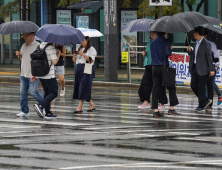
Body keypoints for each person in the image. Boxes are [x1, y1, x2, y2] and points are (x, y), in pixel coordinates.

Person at [150, 31, 180, 117]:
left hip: (155, 68)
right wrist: (170, 48)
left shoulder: (152, 43)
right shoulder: (166, 42)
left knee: (155, 88)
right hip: (164, 68)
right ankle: (171, 109)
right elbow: (168, 53)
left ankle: (155, 110)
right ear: (165, 33)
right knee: (171, 87)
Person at [15, 32, 44, 117]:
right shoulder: (23, 45)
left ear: (32, 36)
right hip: (23, 73)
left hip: (33, 74)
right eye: (24, 35)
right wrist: (18, 55)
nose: (25, 36)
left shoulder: (38, 45)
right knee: (22, 93)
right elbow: (22, 59)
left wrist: (36, 73)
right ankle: (25, 111)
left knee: (33, 92)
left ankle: (45, 104)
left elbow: (40, 61)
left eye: (27, 35)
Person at [187, 26, 215, 113]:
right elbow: (196, 55)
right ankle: (205, 100)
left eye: (194, 33)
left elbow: (209, 57)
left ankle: (201, 105)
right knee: (193, 85)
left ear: (197, 33)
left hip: (203, 68)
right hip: (195, 67)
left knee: (201, 87)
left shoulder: (206, 43)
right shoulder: (196, 43)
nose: (193, 35)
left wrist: (211, 69)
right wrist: (190, 52)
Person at [138, 31, 167, 109]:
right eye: (151, 33)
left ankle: (161, 102)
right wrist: (144, 53)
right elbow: (149, 53)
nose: (151, 34)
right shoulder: (149, 42)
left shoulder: (160, 42)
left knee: (159, 85)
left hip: (156, 65)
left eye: (153, 33)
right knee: (145, 83)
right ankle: (146, 101)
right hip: (148, 65)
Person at [31, 42, 61, 119]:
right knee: (54, 92)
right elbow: (55, 62)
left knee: (47, 93)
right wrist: (58, 54)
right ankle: (40, 105)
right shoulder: (51, 47)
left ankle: (48, 113)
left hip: (41, 74)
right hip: (49, 75)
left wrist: (35, 74)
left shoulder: (40, 46)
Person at [72, 36, 97, 113]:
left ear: (87, 40)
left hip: (87, 67)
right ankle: (91, 104)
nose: (82, 42)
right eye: (80, 41)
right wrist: (75, 55)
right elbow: (74, 60)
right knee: (79, 86)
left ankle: (80, 107)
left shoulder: (91, 49)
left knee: (83, 86)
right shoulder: (79, 48)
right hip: (79, 67)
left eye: (83, 40)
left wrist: (82, 54)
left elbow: (91, 60)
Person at [204, 29, 221, 109]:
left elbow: (216, 56)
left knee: (210, 83)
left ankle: (211, 100)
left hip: (213, 66)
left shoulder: (212, 44)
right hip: (206, 66)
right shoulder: (201, 44)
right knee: (207, 83)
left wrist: (216, 65)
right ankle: (209, 101)